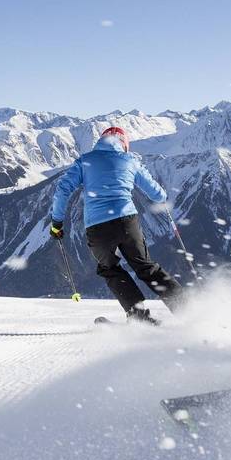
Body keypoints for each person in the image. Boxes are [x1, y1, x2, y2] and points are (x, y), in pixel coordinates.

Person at [50, 126, 184, 324]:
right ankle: (186, 308)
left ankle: (137, 315)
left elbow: (62, 190)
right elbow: (157, 194)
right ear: (124, 145)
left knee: (110, 268)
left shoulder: (85, 161)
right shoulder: (130, 160)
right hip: (127, 222)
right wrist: (162, 196)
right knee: (146, 267)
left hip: (97, 227)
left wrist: (57, 223)